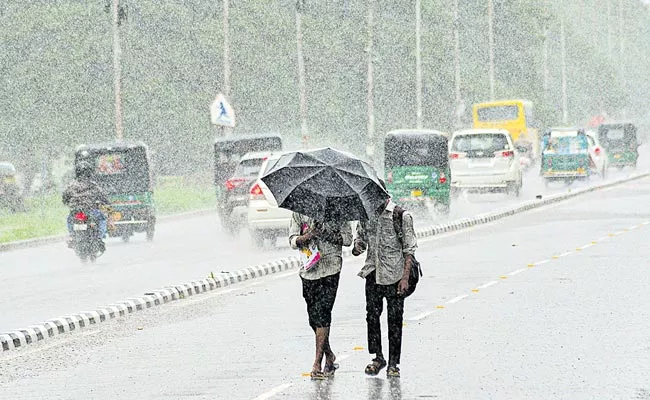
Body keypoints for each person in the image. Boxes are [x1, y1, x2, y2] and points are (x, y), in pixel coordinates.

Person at [352, 188, 417, 378]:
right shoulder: (366, 215)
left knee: (394, 320)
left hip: (395, 275)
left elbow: (409, 250)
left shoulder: (401, 216)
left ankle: (394, 363)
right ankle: (378, 357)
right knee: (372, 316)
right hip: (372, 273)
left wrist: (405, 278)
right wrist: (357, 247)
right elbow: (360, 241)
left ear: (385, 196)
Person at [289, 213, 353, 380]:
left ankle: (317, 363)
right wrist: (309, 235)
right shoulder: (299, 210)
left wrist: (326, 234)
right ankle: (329, 354)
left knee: (323, 313)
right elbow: (293, 240)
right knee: (313, 319)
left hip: (331, 268)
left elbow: (347, 239)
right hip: (309, 270)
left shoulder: (339, 209)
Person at [62, 161, 110, 251]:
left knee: (70, 220)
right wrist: (106, 203)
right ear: (90, 172)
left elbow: (65, 198)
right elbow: (103, 197)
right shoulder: (93, 186)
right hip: (91, 212)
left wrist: (69, 203)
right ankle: (100, 237)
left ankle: (72, 236)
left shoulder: (71, 186)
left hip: (77, 213)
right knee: (102, 218)